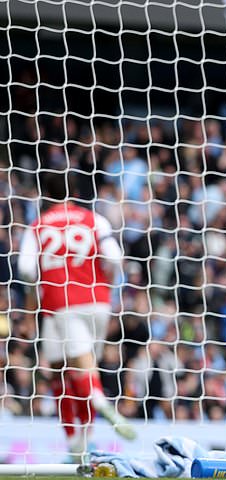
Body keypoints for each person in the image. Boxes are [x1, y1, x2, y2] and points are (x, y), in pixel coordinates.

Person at [17, 171, 136, 459]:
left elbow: (25, 269)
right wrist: (103, 280)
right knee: (66, 366)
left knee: (67, 372)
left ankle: (97, 401)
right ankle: (80, 444)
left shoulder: (37, 226)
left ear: (45, 195)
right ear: (76, 193)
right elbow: (115, 258)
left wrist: (36, 295)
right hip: (98, 301)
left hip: (60, 302)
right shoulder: (96, 219)